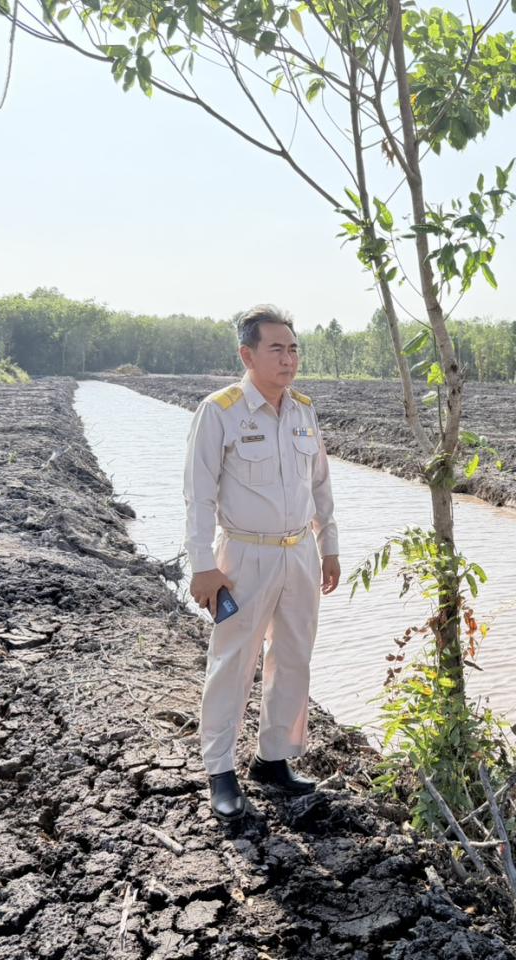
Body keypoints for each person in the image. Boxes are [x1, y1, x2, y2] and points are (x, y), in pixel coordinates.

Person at [182, 304, 341, 823]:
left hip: (299, 552)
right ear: (247, 355)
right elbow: (198, 496)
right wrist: (202, 565)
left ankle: (273, 759)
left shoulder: (303, 410)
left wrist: (329, 545)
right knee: (235, 661)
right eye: (276, 348)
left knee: (293, 656)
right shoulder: (220, 410)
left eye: (294, 348)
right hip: (244, 554)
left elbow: (320, 484)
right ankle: (220, 771)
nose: (288, 358)